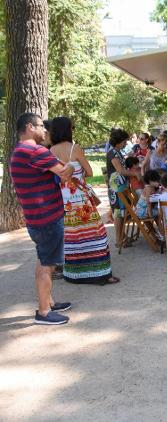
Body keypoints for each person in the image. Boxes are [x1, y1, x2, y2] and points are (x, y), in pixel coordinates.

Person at [9, 112, 74, 325]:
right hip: (47, 217)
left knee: (43, 259)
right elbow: (64, 172)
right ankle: (44, 312)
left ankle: (49, 301)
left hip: (36, 217)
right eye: (41, 126)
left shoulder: (19, 151)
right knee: (47, 265)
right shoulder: (35, 151)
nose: (45, 130)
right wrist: (71, 166)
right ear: (29, 127)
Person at [49, 116, 120, 286]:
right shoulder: (75, 148)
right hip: (81, 200)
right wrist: (76, 170)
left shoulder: (51, 151)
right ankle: (101, 273)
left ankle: (76, 274)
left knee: (72, 236)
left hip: (64, 200)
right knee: (95, 234)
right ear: (67, 130)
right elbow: (89, 172)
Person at [107, 128, 141, 249]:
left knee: (122, 213)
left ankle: (123, 236)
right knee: (118, 213)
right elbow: (120, 171)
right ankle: (119, 239)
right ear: (118, 142)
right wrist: (135, 174)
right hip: (116, 189)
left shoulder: (117, 152)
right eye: (124, 141)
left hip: (121, 187)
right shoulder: (113, 153)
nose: (126, 143)